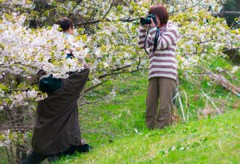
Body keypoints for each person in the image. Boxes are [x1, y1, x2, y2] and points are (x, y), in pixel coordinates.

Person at [22, 18, 91, 164]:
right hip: (64, 89)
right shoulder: (72, 43)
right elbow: (83, 68)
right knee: (61, 119)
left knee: (56, 121)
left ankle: (72, 145)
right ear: (71, 28)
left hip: (47, 91)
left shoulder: (48, 45)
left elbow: (41, 68)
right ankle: (62, 149)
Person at [138, 4, 179, 129]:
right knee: (150, 104)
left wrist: (152, 29)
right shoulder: (152, 30)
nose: (153, 20)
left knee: (164, 105)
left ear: (162, 16)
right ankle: (150, 129)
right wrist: (143, 29)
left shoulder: (172, 29)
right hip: (154, 71)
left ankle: (163, 129)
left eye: (154, 17)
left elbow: (160, 44)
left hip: (167, 72)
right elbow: (142, 45)